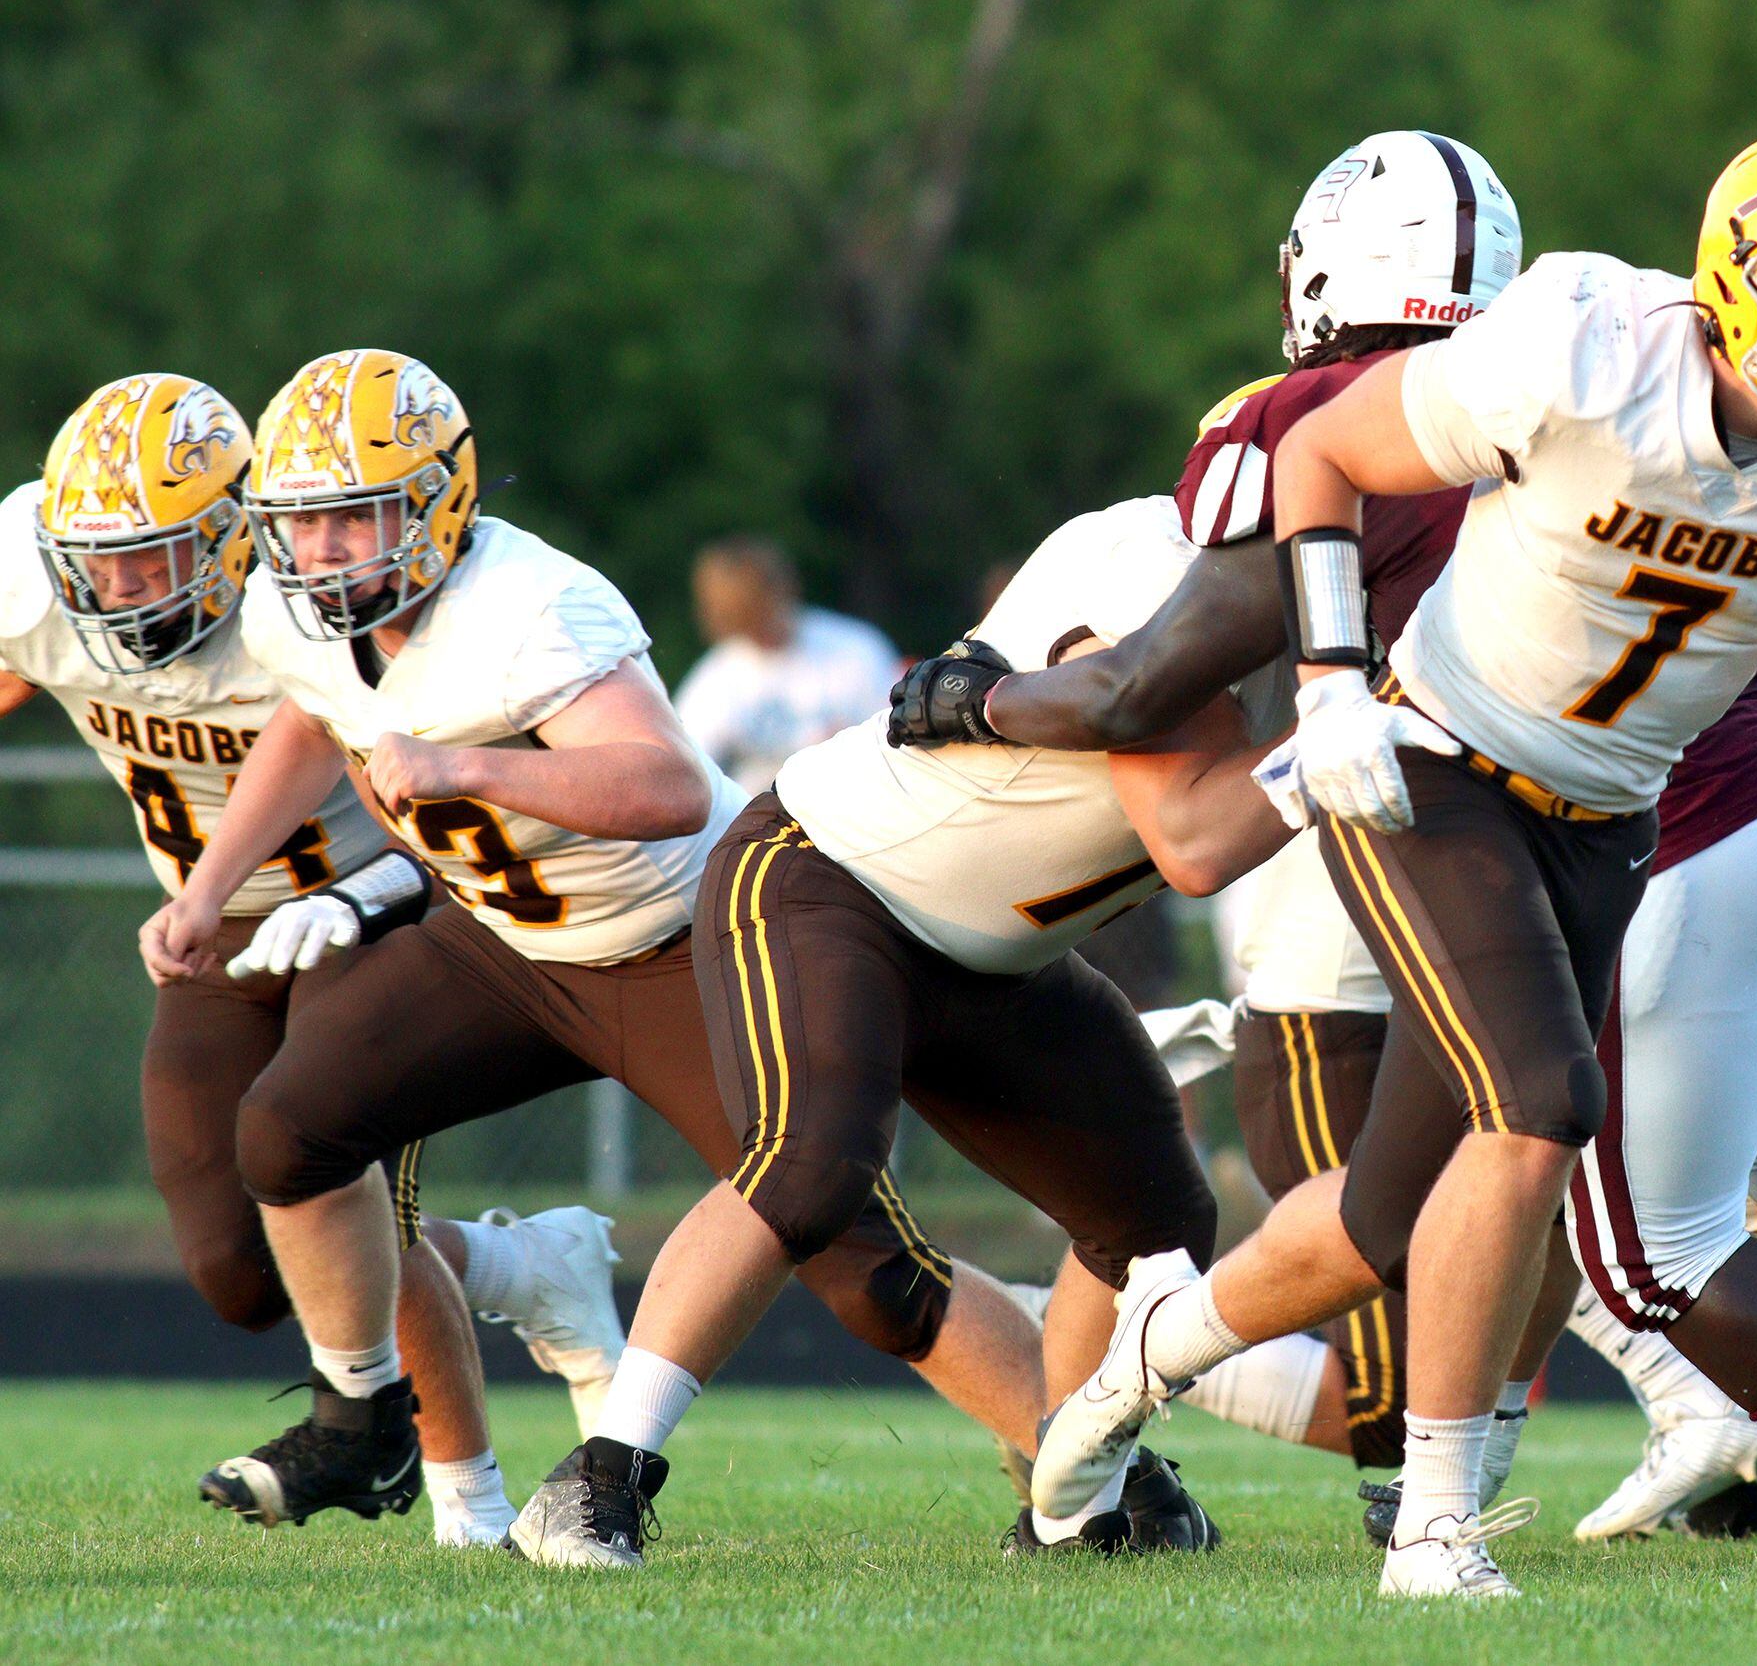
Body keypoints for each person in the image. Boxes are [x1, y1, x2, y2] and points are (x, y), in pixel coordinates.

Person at [1012, 127, 1757, 1597]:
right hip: (1445, 766)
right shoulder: (1590, 345)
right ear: (1737, 287)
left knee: (1386, 1209)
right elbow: (1318, 449)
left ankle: (1127, 1372)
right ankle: (1437, 1530)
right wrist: (1333, 678)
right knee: (1541, 1107)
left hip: (1617, 815)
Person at [136, 350, 1040, 1552]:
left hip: (686, 939)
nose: (326, 553)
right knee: (287, 1129)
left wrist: (467, 764)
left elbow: (666, 783)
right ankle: (362, 1413)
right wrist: (210, 885)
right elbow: (312, 712)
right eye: (305, 527)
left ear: (437, 502)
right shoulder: (287, 607)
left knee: (857, 1259)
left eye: (357, 520)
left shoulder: (529, 603)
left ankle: (1084, 1460)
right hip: (506, 942)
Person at [509, 495, 1261, 1567]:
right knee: (811, 1163)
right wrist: (1365, 723)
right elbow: (1196, 830)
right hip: (830, 880)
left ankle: (1074, 1490)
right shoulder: (1157, 559)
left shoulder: (1326, 614)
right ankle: (595, 1478)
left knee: (1156, 1212)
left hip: (993, 953)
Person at [3, 371, 620, 1546]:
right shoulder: (28, 573)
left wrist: (369, 888)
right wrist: (203, 892)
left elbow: (453, 785)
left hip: (382, 894)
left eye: (155, 554)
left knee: (344, 1175)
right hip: (223, 916)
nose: (122, 586)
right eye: (101, 560)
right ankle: (523, 1267)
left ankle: (469, 1504)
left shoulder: (315, 597)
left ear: (240, 533)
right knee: (237, 1267)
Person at [671, 534, 899, 790]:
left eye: (762, 611)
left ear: (783, 589)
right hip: (765, 820)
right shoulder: (717, 678)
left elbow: (895, 739)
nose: (761, 629)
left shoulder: (856, 649)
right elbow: (685, 765)